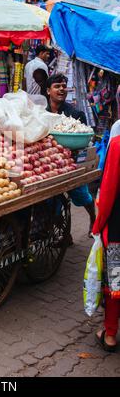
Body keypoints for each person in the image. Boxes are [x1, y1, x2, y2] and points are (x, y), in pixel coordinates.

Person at [46, 73, 96, 237]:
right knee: (51, 201)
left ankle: (93, 218)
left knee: (81, 195)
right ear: (48, 91)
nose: (61, 89)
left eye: (63, 86)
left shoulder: (75, 113)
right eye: (56, 86)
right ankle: (65, 235)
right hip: (51, 161)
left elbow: (86, 137)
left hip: (72, 161)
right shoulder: (43, 113)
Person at [93, 134, 120, 352]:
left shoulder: (118, 144)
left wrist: (98, 224)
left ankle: (110, 335)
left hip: (118, 228)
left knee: (115, 281)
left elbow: (108, 190)